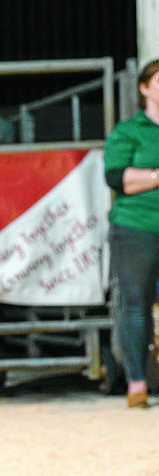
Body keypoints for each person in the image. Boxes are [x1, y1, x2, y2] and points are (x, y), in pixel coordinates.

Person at [102, 57, 159, 408]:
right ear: (144, 89)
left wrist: (147, 175)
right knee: (135, 305)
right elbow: (118, 178)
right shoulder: (128, 131)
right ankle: (137, 381)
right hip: (136, 229)